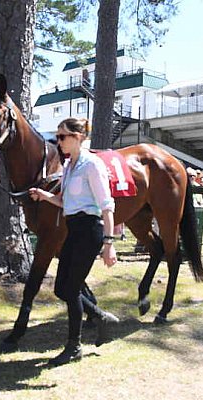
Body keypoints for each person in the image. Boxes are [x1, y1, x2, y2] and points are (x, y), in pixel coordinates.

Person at [28, 117, 119, 366]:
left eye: (62, 136)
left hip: (90, 232)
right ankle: (100, 317)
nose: (58, 142)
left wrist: (109, 244)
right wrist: (46, 196)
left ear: (78, 137)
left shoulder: (92, 165)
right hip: (73, 229)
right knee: (61, 288)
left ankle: (74, 346)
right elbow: (66, 202)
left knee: (70, 288)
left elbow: (106, 207)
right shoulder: (69, 166)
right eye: (57, 137)